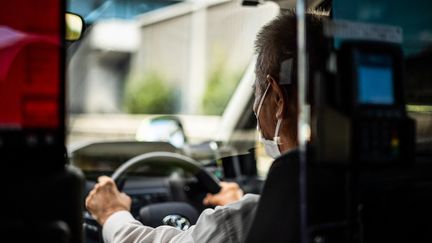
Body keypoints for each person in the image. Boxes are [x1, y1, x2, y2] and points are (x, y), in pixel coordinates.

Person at [85, 10, 328, 243]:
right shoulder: (351, 194)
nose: (255, 105)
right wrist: (244, 203)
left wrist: (112, 214)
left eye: (256, 91)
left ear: (277, 98)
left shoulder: (244, 220)